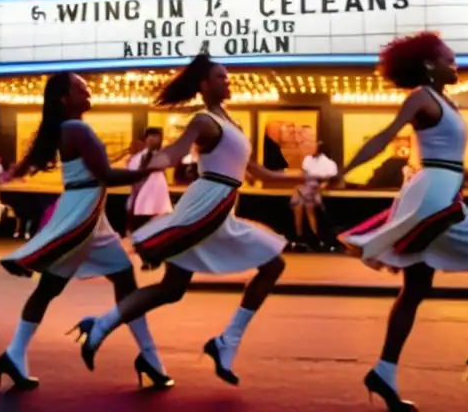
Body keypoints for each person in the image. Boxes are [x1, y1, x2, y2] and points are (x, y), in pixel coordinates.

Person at [72, 53, 305, 386]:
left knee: (172, 289)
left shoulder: (231, 123)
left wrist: (305, 178)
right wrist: (149, 163)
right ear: (204, 85)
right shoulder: (203, 120)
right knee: (272, 265)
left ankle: (102, 325)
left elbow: (258, 172)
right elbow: (176, 151)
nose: (228, 81)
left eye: (227, 76)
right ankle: (227, 342)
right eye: (221, 77)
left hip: (222, 206)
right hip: (206, 207)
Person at [337, 32, 468, 412]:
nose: (455, 66)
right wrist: (342, 171)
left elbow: (445, 157)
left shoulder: (444, 101)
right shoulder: (421, 97)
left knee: (416, 287)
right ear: (428, 65)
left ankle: (383, 374)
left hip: (440, 190)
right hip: (435, 200)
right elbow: (385, 137)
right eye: (450, 60)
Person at [0, 72, 172, 393]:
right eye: (80, 88)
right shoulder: (77, 128)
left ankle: (150, 357)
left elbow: (89, 170)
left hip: (89, 215)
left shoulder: (63, 129)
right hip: (82, 217)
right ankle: (14, 352)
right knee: (59, 287)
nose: (87, 90)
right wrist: (147, 170)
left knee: (103, 283)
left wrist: (9, 174)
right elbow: (105, 174)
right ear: (64, 98)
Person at [127, 127, 174, 269]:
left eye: (156, 136)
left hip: (156, 202)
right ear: (146, 138)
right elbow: (130, 173)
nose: (153, 139)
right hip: (139, 201)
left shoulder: (162, 156)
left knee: (156, 231)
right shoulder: (137, 158)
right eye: (150, 136)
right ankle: (146, 259)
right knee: (139, 232)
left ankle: (154, 259)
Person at [289, 141, 338, 250]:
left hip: (316, 186)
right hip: (305, 185)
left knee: (309, 208)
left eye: (312, 147)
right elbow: (302, 174)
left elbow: (329, 180)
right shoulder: (307, 159)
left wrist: (322, 185)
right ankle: (299, 238)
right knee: (297, 208)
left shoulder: (328, 163)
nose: (309, 148)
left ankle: (316, 238)